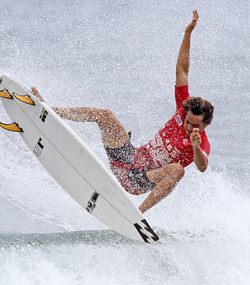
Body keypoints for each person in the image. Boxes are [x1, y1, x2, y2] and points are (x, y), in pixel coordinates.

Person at [33, 9, 213, 213]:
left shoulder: (202, 142)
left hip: (139, 179)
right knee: (105, 115)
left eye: (195, 125)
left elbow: (202, 167)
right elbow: (182, 70)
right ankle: (50, 110)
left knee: (178, 170)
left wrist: (196, 147)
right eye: (188, 121)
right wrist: (188, 33)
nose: (189, 127)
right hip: (127, 157)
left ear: (206, 124)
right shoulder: (183, 109)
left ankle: (137, 215)